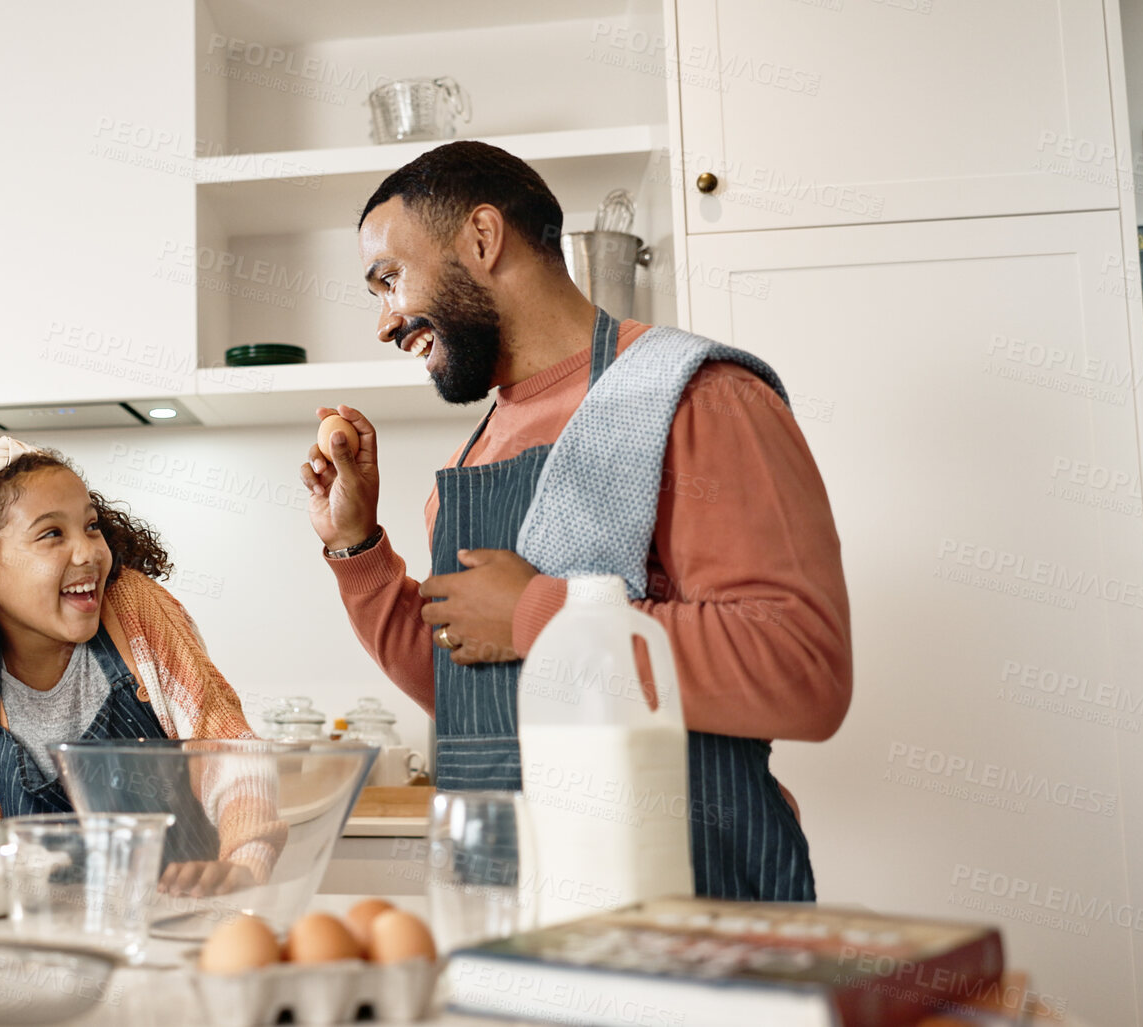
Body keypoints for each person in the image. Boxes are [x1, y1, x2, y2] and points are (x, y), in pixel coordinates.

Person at [300, 141, 850, 901]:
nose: (386, 321)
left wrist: (535, 614)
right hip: (517, 900)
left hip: (694, 908)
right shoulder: (478, 449)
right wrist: (354, 544)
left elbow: (801, 669)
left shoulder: (700, 396)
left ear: (482, 239)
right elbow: (470, 690)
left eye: (389, 279)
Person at [0, 437, 283, 896]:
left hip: (184, 914)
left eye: (91, 526)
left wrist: (245, 861)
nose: (88, 552)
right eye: (52, 534)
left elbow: (225, 746)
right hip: (47, 930)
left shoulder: (133, 610)